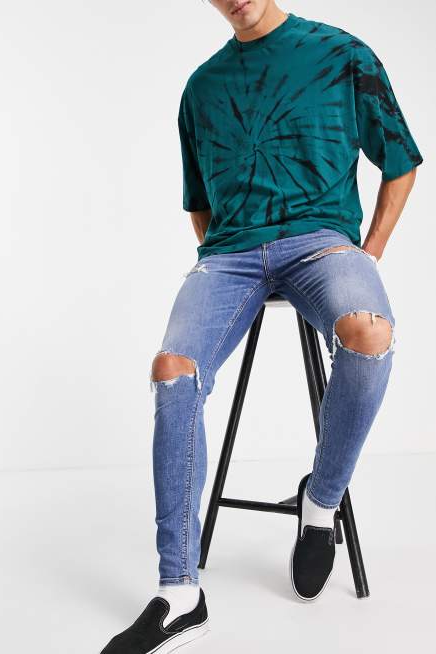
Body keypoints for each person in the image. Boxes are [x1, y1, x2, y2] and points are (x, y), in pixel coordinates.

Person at [99, 2, 423, 651]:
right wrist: (225, 262)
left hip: (322, 243)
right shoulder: (202, 87)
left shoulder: (340, 53)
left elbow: (401, 160)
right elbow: (199, 205)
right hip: (230, 256)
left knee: (370, 333)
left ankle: (320, 505)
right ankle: (179, 592)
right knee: (172, 372)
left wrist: (369, 252)